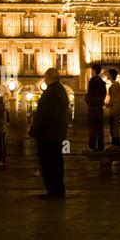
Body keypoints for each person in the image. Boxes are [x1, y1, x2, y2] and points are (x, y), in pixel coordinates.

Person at [29, 67, 69, 199]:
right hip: (57, 133)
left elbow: (44, 115)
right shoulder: (61, 90)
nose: (44, 79)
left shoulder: (50, 93)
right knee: (57, 161)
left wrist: (34, 130)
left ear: (49, 77)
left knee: (48, 163)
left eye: (45, 77)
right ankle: (58, 189)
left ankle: (53, 190)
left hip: (47, 134)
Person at [85, 64, 106, 151]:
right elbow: (103, 94)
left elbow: (90, 94)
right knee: (99, 127)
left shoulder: (92, 81)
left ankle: (92, 146)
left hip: (93, 106)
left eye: (91, 70)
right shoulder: (101, 81)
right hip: (99, 107)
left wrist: (87, 99)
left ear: (93, 70)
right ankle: (100, 145)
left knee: (93, 127)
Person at [107, 68, 120, 147]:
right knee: (113, 125)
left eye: (108, 74)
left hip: (115, 108)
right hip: (114, 107)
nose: (107, 75)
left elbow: (114, 97)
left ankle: (115, 142)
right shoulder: (114, 85)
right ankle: (115, 141)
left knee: (114, 126)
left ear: (111, 75)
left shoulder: (115, 85)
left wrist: (109, 104)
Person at [0, 95, 9, 165]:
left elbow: (4, 121)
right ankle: (1, 159)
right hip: (0, 129)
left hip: (1, 129)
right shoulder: (3, 110)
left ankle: (1, 159)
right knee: (0, 144)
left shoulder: (2, 110)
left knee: (0, 144)